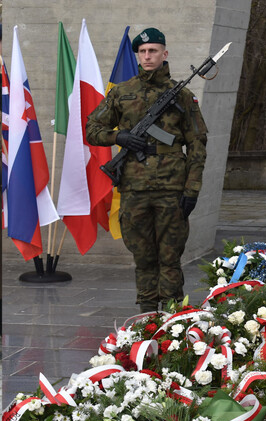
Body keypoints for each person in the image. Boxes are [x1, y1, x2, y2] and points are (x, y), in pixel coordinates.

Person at [87, 27, 208, 313]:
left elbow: (197, 145)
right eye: (142, 51)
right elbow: (93, 129)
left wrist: (192, 190)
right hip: (134, 189)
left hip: (172, 189)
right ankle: (146, 315)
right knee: (143, 256)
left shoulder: (182, 95)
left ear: (164, 54)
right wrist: (120, 137)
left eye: (153, 51)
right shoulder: (122, 93)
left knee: (170, 256)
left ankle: (172, 316)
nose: (147, 56)